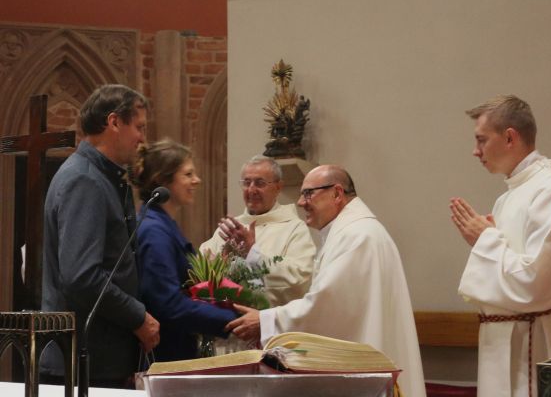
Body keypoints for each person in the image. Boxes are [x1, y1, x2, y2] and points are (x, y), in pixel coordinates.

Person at [225, 165, 426, 397]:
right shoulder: (352, 231)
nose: (301, 202)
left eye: (308, 193)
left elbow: (328, 306)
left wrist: (266, 320)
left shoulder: (358, 236)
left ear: (337, 193)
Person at [449, 95, 551, 397]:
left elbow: (534, 284)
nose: (475, 151)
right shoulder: (508, 196)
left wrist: (485, 240)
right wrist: (487, 241)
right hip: (503, 341)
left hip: (534, 346)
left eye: (481, 140)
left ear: (509, 137)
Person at [41, 84, 160, 387]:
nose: (142, 138)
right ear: (114, 122)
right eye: (139, 127)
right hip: (85, 362)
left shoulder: (102, 178)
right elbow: (82, 275)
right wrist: (137, 317)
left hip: (96, 359)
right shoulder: (85, 180)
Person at [131, 139, 238, 361]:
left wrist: (233, 297)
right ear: (162, 180)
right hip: (166, 352)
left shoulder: (161, 224)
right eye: (188, 174)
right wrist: (232, 320)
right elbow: (168, 304)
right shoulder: (154, 231)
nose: (196, 180)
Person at [200, 155, 316, 307]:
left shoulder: (294, 229)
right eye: (247, 183)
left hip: (269, 323)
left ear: (278, 187)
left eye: (260, 183)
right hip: (226, 321)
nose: (252, 189)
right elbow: (202, 270)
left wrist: (253, 253)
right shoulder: (231, 228)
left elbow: (300, 279)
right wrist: (222, 259)